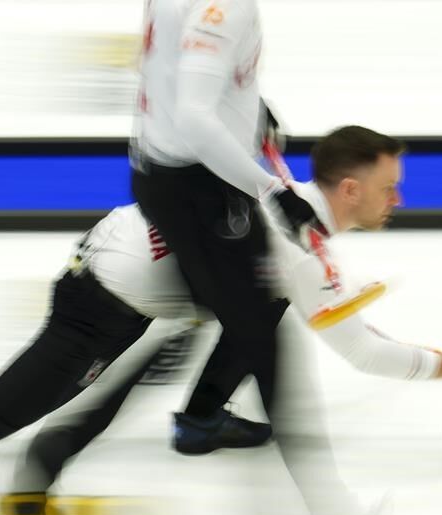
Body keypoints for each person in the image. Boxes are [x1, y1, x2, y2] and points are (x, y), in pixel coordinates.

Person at [0, 126, 442, 515]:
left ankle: (199, 423)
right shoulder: (303, 254)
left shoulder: (285, 195)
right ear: (351, 189)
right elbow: (363, 351)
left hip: (127, 251)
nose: (398, 199)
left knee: (260, 312)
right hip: (113, 293)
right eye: (389, 188)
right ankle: (54, 459)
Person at [129, 0, 333, 458]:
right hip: (201, 186)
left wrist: (251, 107)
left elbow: (178, 71)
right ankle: (206, 422)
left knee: (261, 300)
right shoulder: (224, 9)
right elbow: (196, 118)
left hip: (180, 174)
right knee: (258, 309)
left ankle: (204, 409)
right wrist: (274, 193)